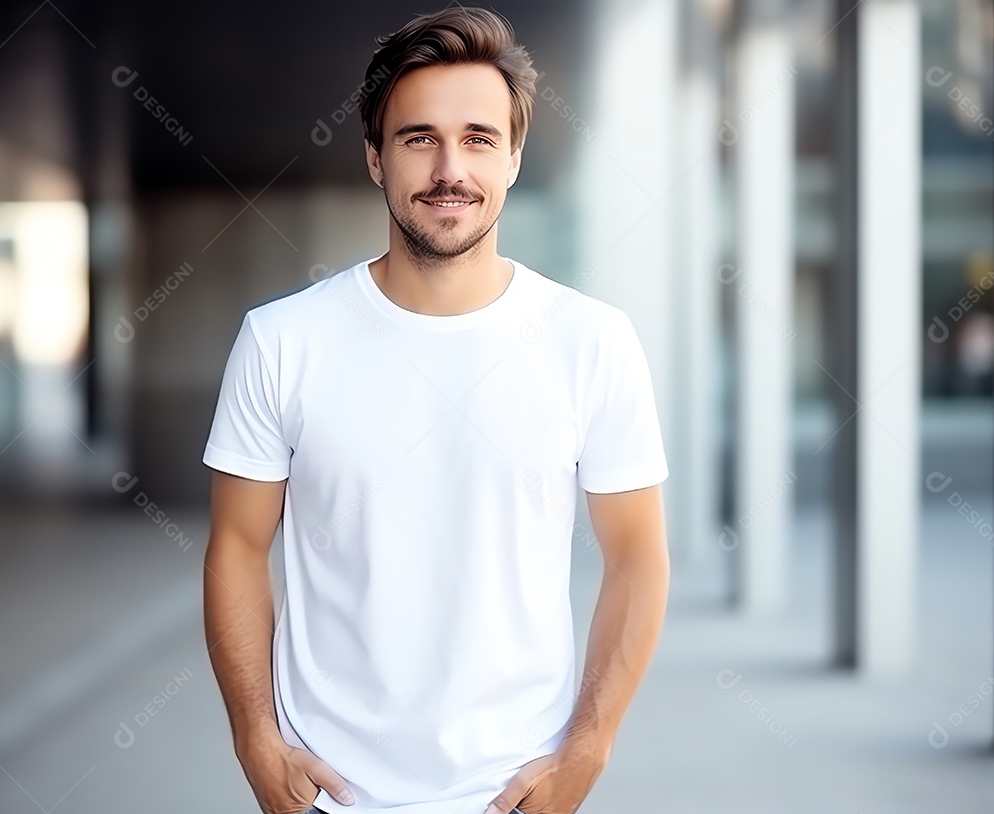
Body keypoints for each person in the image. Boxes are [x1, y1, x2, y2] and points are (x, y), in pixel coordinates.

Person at [201, 7, 670, 814]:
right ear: (376, 160)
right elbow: (238, 548)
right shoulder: (282, 341)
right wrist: (254, 740)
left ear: (515, 157)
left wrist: (586, 753)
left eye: (480, 138)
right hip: (331, 796)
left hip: (516, 794)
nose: (450, 167)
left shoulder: (592, 341)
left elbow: (637, 558)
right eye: (419, 138)